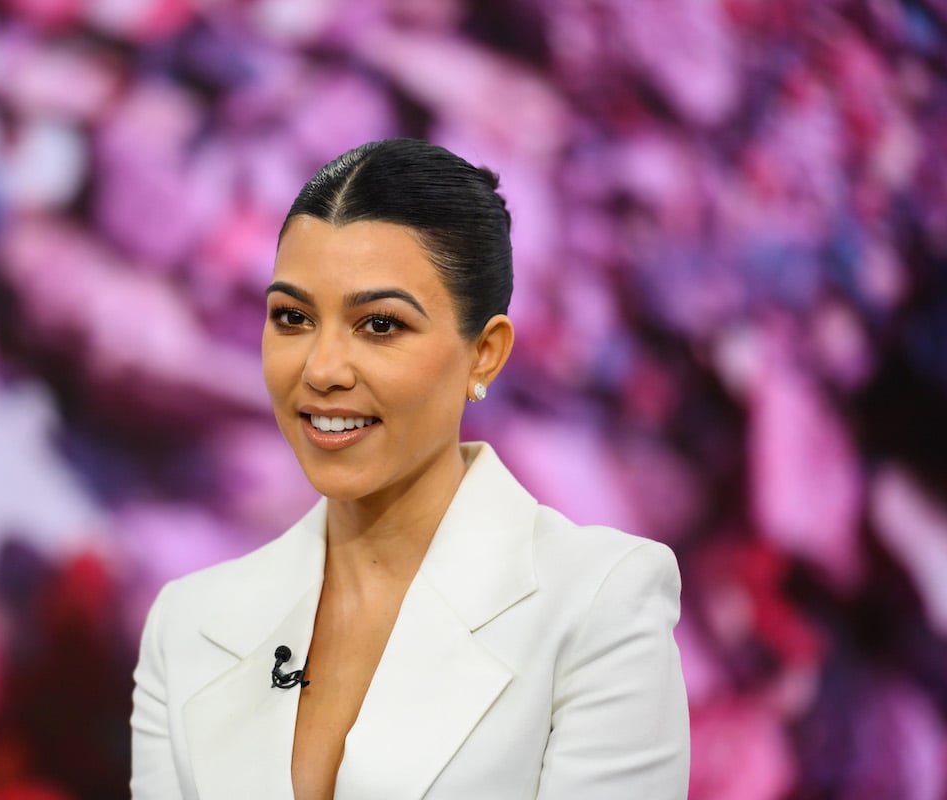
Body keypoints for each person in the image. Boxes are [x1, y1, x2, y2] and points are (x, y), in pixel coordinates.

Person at [131, 138, 689, 799]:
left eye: (382, 326)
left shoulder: (600, 614)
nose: (323, 369)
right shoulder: (187, 617)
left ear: (484, 355)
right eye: (292, 317)